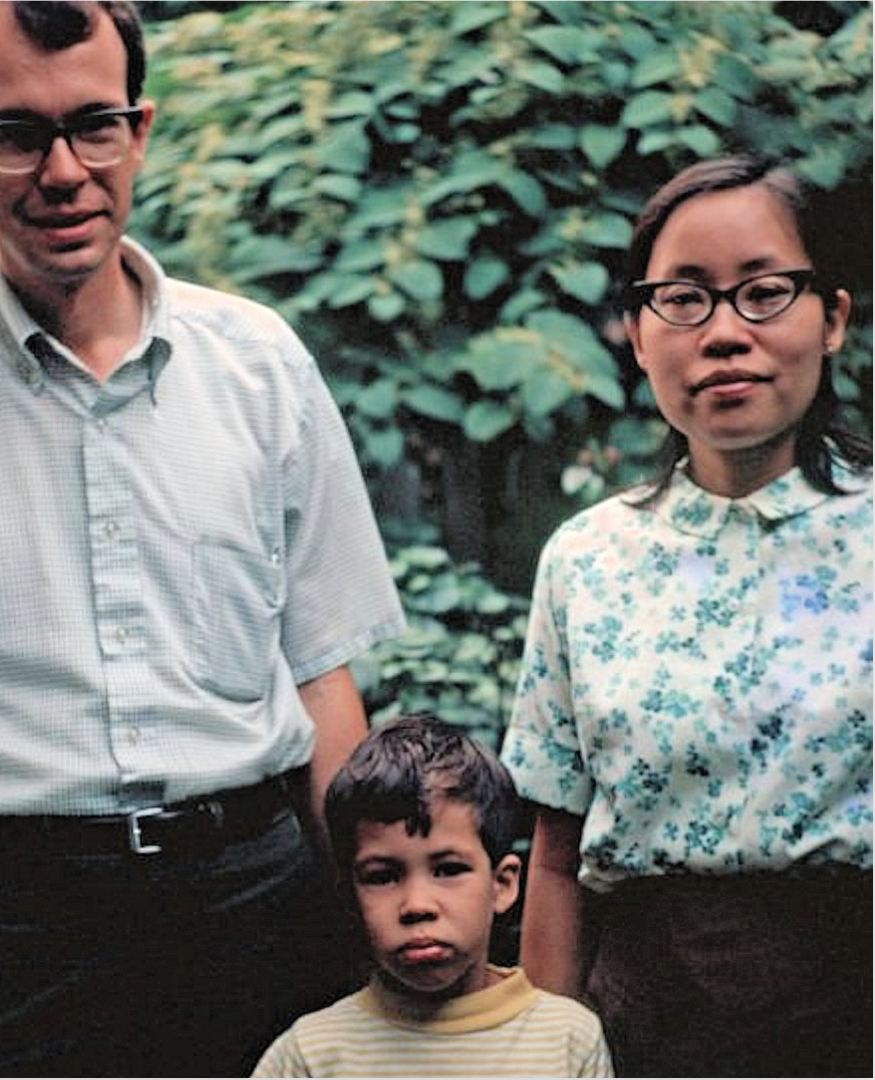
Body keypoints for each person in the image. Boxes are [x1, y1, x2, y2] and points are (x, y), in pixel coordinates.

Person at [0, 2, 406, 1075]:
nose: (64, 170)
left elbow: (321, 681)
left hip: (255, 918)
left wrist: (374, 943)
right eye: (16, 133)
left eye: (96, 124)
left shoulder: (261, 365)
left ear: (143, 130)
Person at [502, 155, 872, 1077]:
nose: (723, 334)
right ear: (636, 331)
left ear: (831, 317)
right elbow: (554, 858)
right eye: (684, 299)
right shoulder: (587, 562)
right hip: (648, 1023)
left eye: (763, 292)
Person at [251, 713, 614, 1077]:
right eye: (383, 877)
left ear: (502, 885)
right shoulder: (311, 1054)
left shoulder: (567, 1040)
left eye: (448, 870)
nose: (417, 906)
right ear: (350, 898)